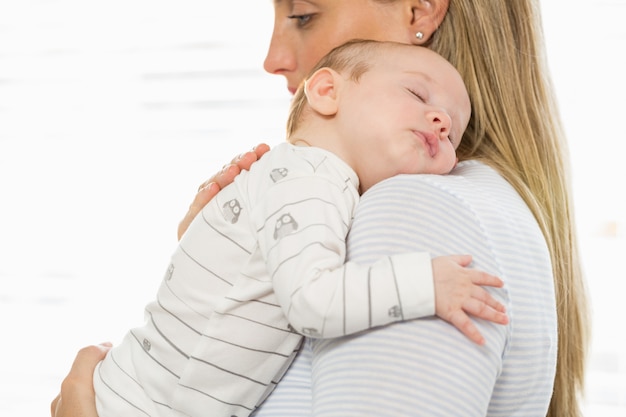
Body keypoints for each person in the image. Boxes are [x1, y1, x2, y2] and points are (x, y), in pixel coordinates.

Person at [51, 1, 590, 417]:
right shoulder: (458, 199)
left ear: (419, 9)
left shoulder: (415, 206)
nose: (273, 59)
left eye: (304, 15)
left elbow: (315, 301)